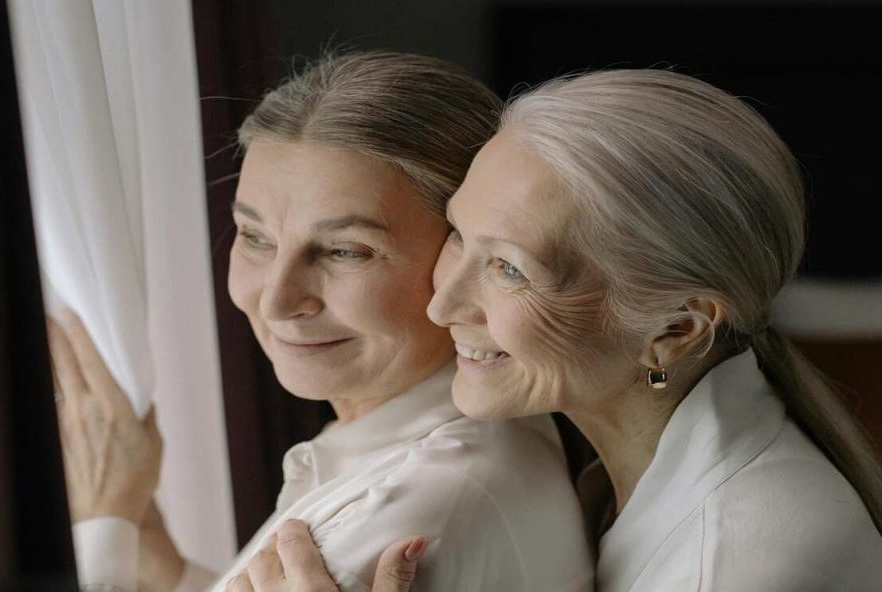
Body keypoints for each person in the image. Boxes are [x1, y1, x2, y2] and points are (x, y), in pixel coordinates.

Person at [240, 68, 882, 591]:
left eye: (509, 270)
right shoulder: (614, 462)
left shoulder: (734, 567)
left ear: (677, 328)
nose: (443, 305)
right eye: (458, 235)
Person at [48, 52, 594, 592]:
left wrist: (103, 527)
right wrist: (163, 568)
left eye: (345, 251)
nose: (276, 302)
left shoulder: (414, 509)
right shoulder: (443, 454)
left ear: (466, 257)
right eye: (255, 238)